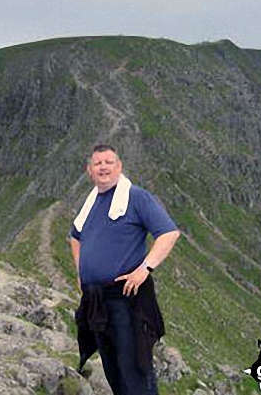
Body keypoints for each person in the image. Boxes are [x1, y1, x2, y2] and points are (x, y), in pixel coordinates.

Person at [70, 144, 180, 394]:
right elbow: (75, 236)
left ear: (119, 167)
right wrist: (81, 273)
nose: (103, 167)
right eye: (98, 163)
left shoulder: (136, 197)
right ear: (90, 171)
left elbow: (169, 233)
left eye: (109, 162)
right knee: (113, 368)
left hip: (126, 299)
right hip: (98, 301)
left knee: (135, 369)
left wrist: (145, 268)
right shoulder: (92, 202)